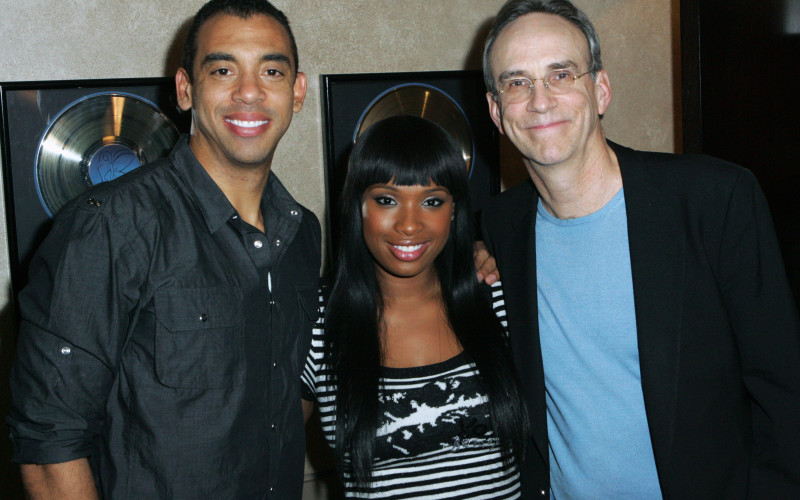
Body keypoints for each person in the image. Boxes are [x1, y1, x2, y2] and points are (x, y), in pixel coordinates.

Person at [480, 0, 800, 498]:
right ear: (497, 112)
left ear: (600, 89)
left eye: (561, 74)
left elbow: (784, 393)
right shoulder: (503, 223)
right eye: (517, 82)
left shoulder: (713, 199)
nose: (540, 100)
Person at [6, 1, 318, 497]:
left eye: (272, 70)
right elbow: (49, 447)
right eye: (222, 69)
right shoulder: (110, 226)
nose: (250, 92)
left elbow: (282, 397)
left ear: (296, 91)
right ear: (185, 89)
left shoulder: (303, 234)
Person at [300, 115, 529, 498]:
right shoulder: (317, 322)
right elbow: (262, 455)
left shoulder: (497, 301)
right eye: (387, 200)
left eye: (432, 201)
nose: (409, 224)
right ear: (358, 205)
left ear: (454, 209)